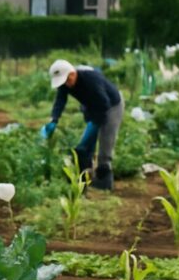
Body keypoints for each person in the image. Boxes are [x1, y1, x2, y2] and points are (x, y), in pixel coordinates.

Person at [40, 59, 124, 190]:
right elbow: (60, 101)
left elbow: (104, 104)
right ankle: (85, 179)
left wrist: (95, 124)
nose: (66, 85)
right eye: (63, 82)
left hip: (111, 106)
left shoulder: (91, 80)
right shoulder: (65, 84)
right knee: (85, 147)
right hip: (92, 105)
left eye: (68, 80)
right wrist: (54, 119)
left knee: (105, 141)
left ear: (73, 74)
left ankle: (105, 182)